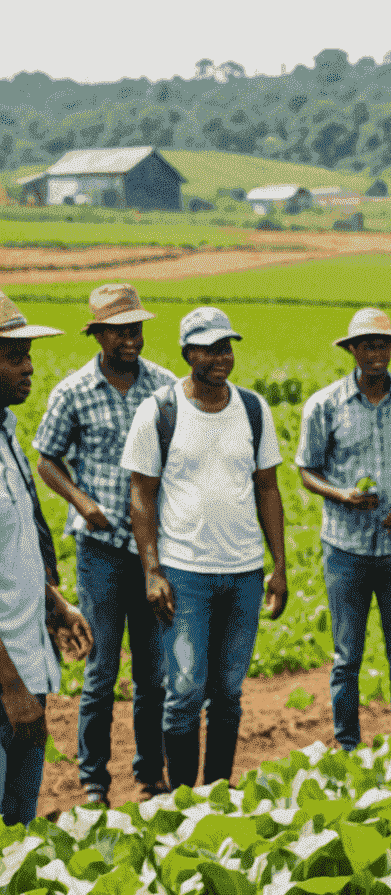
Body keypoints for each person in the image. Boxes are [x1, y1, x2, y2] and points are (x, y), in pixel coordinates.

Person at [122, 306, 286, 791]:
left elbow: (268, 489)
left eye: (227, 347)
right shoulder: (160, 410)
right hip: (185, 572)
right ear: (187, 352)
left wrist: (279, 566)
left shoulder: (253, 409)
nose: (222, 357)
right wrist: (152, 570)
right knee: (185, 690)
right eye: (211, 348)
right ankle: (181, 797)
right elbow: (141, 493)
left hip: (244, 571)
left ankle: (216, 793)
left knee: (229, 693)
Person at [33, 283, 176, 805]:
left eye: (136, 329)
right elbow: (47, 459)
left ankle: (151, 776)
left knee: (153, 672)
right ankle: (94, 781)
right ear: (98, 336)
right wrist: (80, 501)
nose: (131, 339)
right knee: (100, 669)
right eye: (119, 332)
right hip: (100, 549)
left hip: (154, 551)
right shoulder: (73, 392)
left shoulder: (164, 388)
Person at [296, 307, 391, 752]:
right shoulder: (325, 405)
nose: (376, 353)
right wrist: (342, 495)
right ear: (352, 351)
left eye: (383, 344)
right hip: (346, 549)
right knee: (347, 658)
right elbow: (306, 470)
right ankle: (347, 747)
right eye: (367, 345)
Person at [0, 294, 93, 826]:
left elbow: (14, 550)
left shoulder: (9, 435)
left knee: (17, 841)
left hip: (25, 670)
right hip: (7, 682)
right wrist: (12, 691)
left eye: (27, 352)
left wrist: (56, 605)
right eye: (14, 354)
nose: (29, 366)